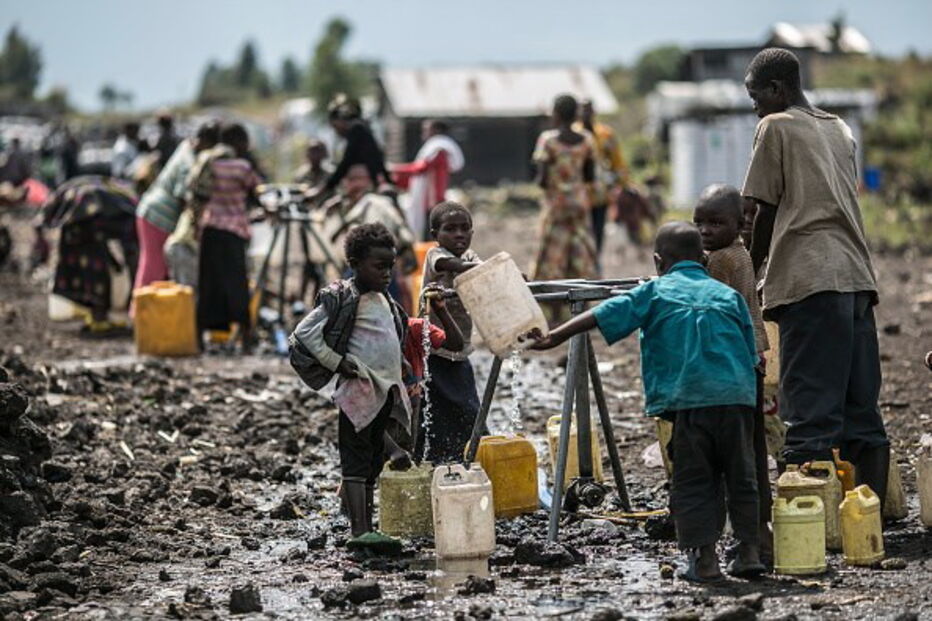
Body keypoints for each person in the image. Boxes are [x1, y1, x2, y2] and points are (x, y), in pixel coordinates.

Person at [533, 222, 764, 582]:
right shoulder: (729, 296)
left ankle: (704, 561)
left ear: (658, 262)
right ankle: (749, 551)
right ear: (704, 259)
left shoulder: (654, 292)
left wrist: (553, 337)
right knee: (741, 476)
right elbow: (752, 355)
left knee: (693, 480)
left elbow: (603, 314)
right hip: (736, 399)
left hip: (690, 403)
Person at [742, 48, 888, 508]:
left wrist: (750, 268)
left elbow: (762, 210)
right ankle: (871, 519)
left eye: (755, 96)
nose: (754, 107)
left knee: (808, 410)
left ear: (777, 89)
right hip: (855, 277)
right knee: (860, 407)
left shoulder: (776, 126)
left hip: (810, 277)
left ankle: (810, 524)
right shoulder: (838, 128)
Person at [289, 223, 410, 550]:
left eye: (390, 266)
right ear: (355, 263)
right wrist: (335, 362)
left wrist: (401, 363)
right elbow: (304, 333)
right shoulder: (343, 297)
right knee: (356, 460)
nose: (387, 273)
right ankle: (359, 531)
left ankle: (366, 528)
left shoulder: (383, 298)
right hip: (358, 393)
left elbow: (384, 337)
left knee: (371, 461)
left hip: (382, 391)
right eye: (379, 266)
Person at [693, 184, 773, 564]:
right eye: (700, 223)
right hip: (750, 357)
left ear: (740, 224)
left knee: (743, 452)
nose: (705, 230)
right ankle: (760, 532)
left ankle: (752, 532)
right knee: (753, 446)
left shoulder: (722, 260)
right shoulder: (739, 253)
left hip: (735, 361)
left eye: (715, 222)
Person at [416, 201, 484, 463]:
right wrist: (491, 268)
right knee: (440, 406)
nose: (459, 235)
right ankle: (451, 453)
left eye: (465, 229)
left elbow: (480, 271)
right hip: (434, 349)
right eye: (451, 229)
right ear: (435, 235)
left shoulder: (471, 258)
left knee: (458, 403)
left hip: (459, 349)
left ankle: (459, 452)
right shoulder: (436, 255)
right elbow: (450, 265)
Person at [531, 94, 599, 323]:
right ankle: (583, 307)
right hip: (579, 206)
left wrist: (555, 182)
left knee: (551, 256)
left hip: (556, 207)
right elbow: (590, 175)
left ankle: (555, 312)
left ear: (556, 114)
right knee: (580, 253)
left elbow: (540, 179)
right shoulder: (587, 139)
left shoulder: (548, 140)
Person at [195, 123, 262, 351]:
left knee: (208, 283)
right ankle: (246, 338)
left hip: (210, 229)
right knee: (237, 284)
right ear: (237, 141)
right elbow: (257, 192)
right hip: (234, 232)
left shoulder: (209, 163)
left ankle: (199, 338)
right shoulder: (242, 167)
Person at [133, 121, 220, 293]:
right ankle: (142, 315)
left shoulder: (185, 147)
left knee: (153, 265)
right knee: (154, 268)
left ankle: (148, 313)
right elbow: (183, 198)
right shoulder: (190, 162)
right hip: (159, 216)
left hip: (150, 210)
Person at [323, 163, 417, 310]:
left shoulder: (373, 202)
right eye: (352, 179)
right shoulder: (344, 206)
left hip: (375, 268)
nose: (357, 184)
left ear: (370, 182)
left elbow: (403, 238)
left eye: (362, 178)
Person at [400, 284, 464, 460]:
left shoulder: (413, 329)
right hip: (379, 409)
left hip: (409, 406)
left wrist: (441, 311)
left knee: (407, 452)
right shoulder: (370, 341)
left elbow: (456, 344)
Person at [390, 119, 465, 241]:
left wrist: (394, 168)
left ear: (436, 131)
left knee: (431, 236)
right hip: (428, 202)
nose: (423, 133)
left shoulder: (439, 151)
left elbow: (421, 168)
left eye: (426, 130)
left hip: (433, 201)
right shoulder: (433, 149)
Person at [574, 100, 629, 254]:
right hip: (578, 195)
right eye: (583, 111)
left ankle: (595, 263)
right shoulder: (574, 134)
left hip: (600, 194)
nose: (586, 114)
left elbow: (617, 162)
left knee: (598, 231)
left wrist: (622, 183)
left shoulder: (605, 134)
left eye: (589, 110)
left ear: (594, 112)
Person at [316, 97, 391, 198]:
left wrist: (326, 187)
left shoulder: (357, 130)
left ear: (339, 121)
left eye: (334, 126)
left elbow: (347, 161)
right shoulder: (361, 129)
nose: (336, 131)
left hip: (367, 186)